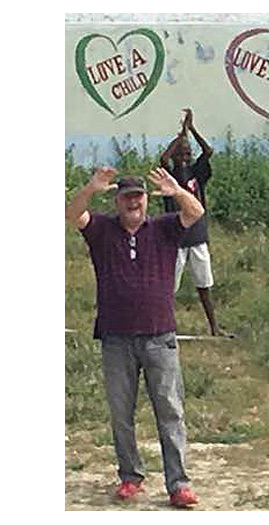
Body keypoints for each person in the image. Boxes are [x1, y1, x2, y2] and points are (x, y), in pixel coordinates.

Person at [65, 166, 203, 507]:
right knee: (121, 413)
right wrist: (90, 188)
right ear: (117, 201)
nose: (133, 203)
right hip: (116, 337)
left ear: (146, 201)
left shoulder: (164, 228)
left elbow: (196, 212)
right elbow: (71, 214)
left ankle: (179, 484)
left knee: (170, 411)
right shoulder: (102, 230)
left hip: (160, 336)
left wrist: (176, 191)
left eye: (138, 197)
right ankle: (130, 476)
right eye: (127, 198)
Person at [160, 108, 230, 337]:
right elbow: (163, 158)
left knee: (204, 284)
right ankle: (164, 325)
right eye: (180, 154)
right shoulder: (169, 176)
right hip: (176, 236)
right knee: (170, 287)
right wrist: (181, 134)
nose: (184, 157)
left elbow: (208, 151)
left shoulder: (197, 173)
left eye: (187, 153)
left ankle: (214, 327)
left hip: (197, 235)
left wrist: (191, 130)